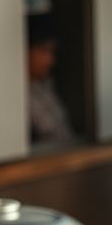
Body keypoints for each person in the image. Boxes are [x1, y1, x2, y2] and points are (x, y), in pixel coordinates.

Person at [25, 13, 73, 144]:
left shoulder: (45, 86)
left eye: (51, 52)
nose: (50, 60)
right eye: (43, 51)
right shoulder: (13, 98)